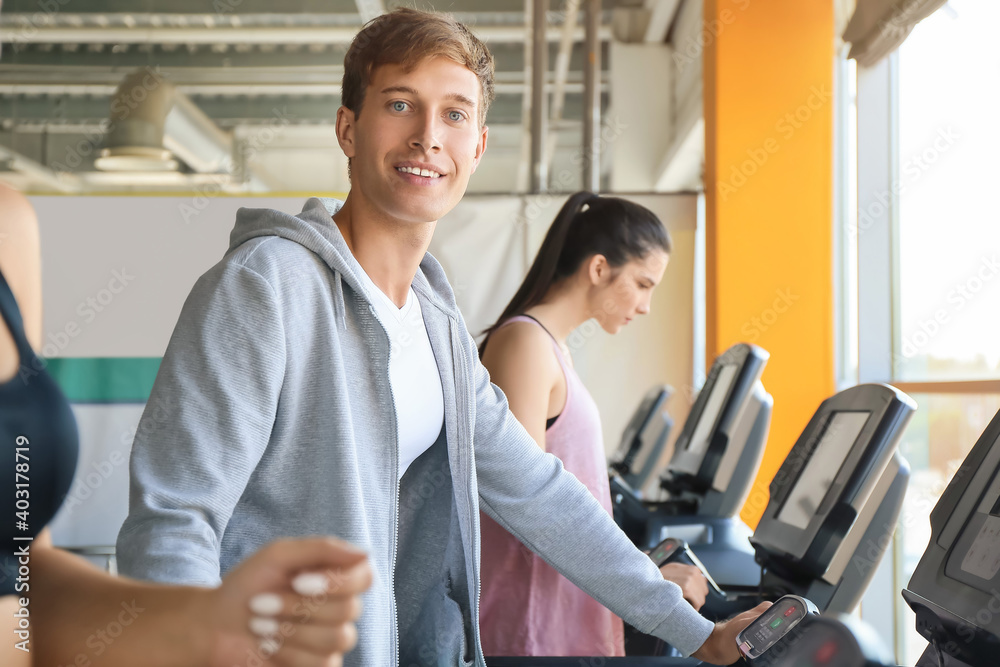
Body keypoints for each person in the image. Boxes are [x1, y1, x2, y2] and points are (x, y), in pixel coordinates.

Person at [116, 9, 769, 666]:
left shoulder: (436, 322)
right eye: (401, 104)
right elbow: (175, 522)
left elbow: (538, 490)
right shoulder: (266, 286)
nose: (428, 136)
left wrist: (694, 630)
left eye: (454, 114)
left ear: (477, 146)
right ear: (348, 128)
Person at [0, 184, 372, 667]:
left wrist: (207, 625)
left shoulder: (9, 224)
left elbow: (23, 574)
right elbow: (173, 512)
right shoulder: (258, 278)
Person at [477, 191, 710, 656]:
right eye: (643, 284)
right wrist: (645, 579)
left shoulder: (549, 346)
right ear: (599, 268)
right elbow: (530, 513)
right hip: (528, 627)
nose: (645, 306)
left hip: (559, 613)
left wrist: (636, 570)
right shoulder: (524, 344)